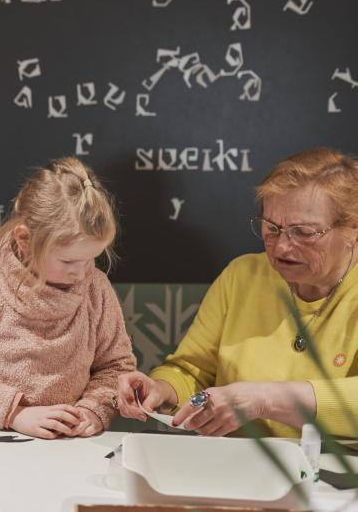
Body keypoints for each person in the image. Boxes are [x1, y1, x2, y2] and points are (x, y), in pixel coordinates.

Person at [118, 148, 358, 438]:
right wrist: (161, 390)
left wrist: (264, 400)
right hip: (234, 466)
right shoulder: (242, 276)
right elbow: (191, 371)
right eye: (271, 228)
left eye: (304, 232)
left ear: (352, 230)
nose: (281, 247)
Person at [0, 158, 136, 439]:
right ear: (25, 240)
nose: (82, 272)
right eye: (68, 261)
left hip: (71, 445)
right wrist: (15, 413)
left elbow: (116, 366)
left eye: (91, 260)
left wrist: (93, 411)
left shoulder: (96, 287)